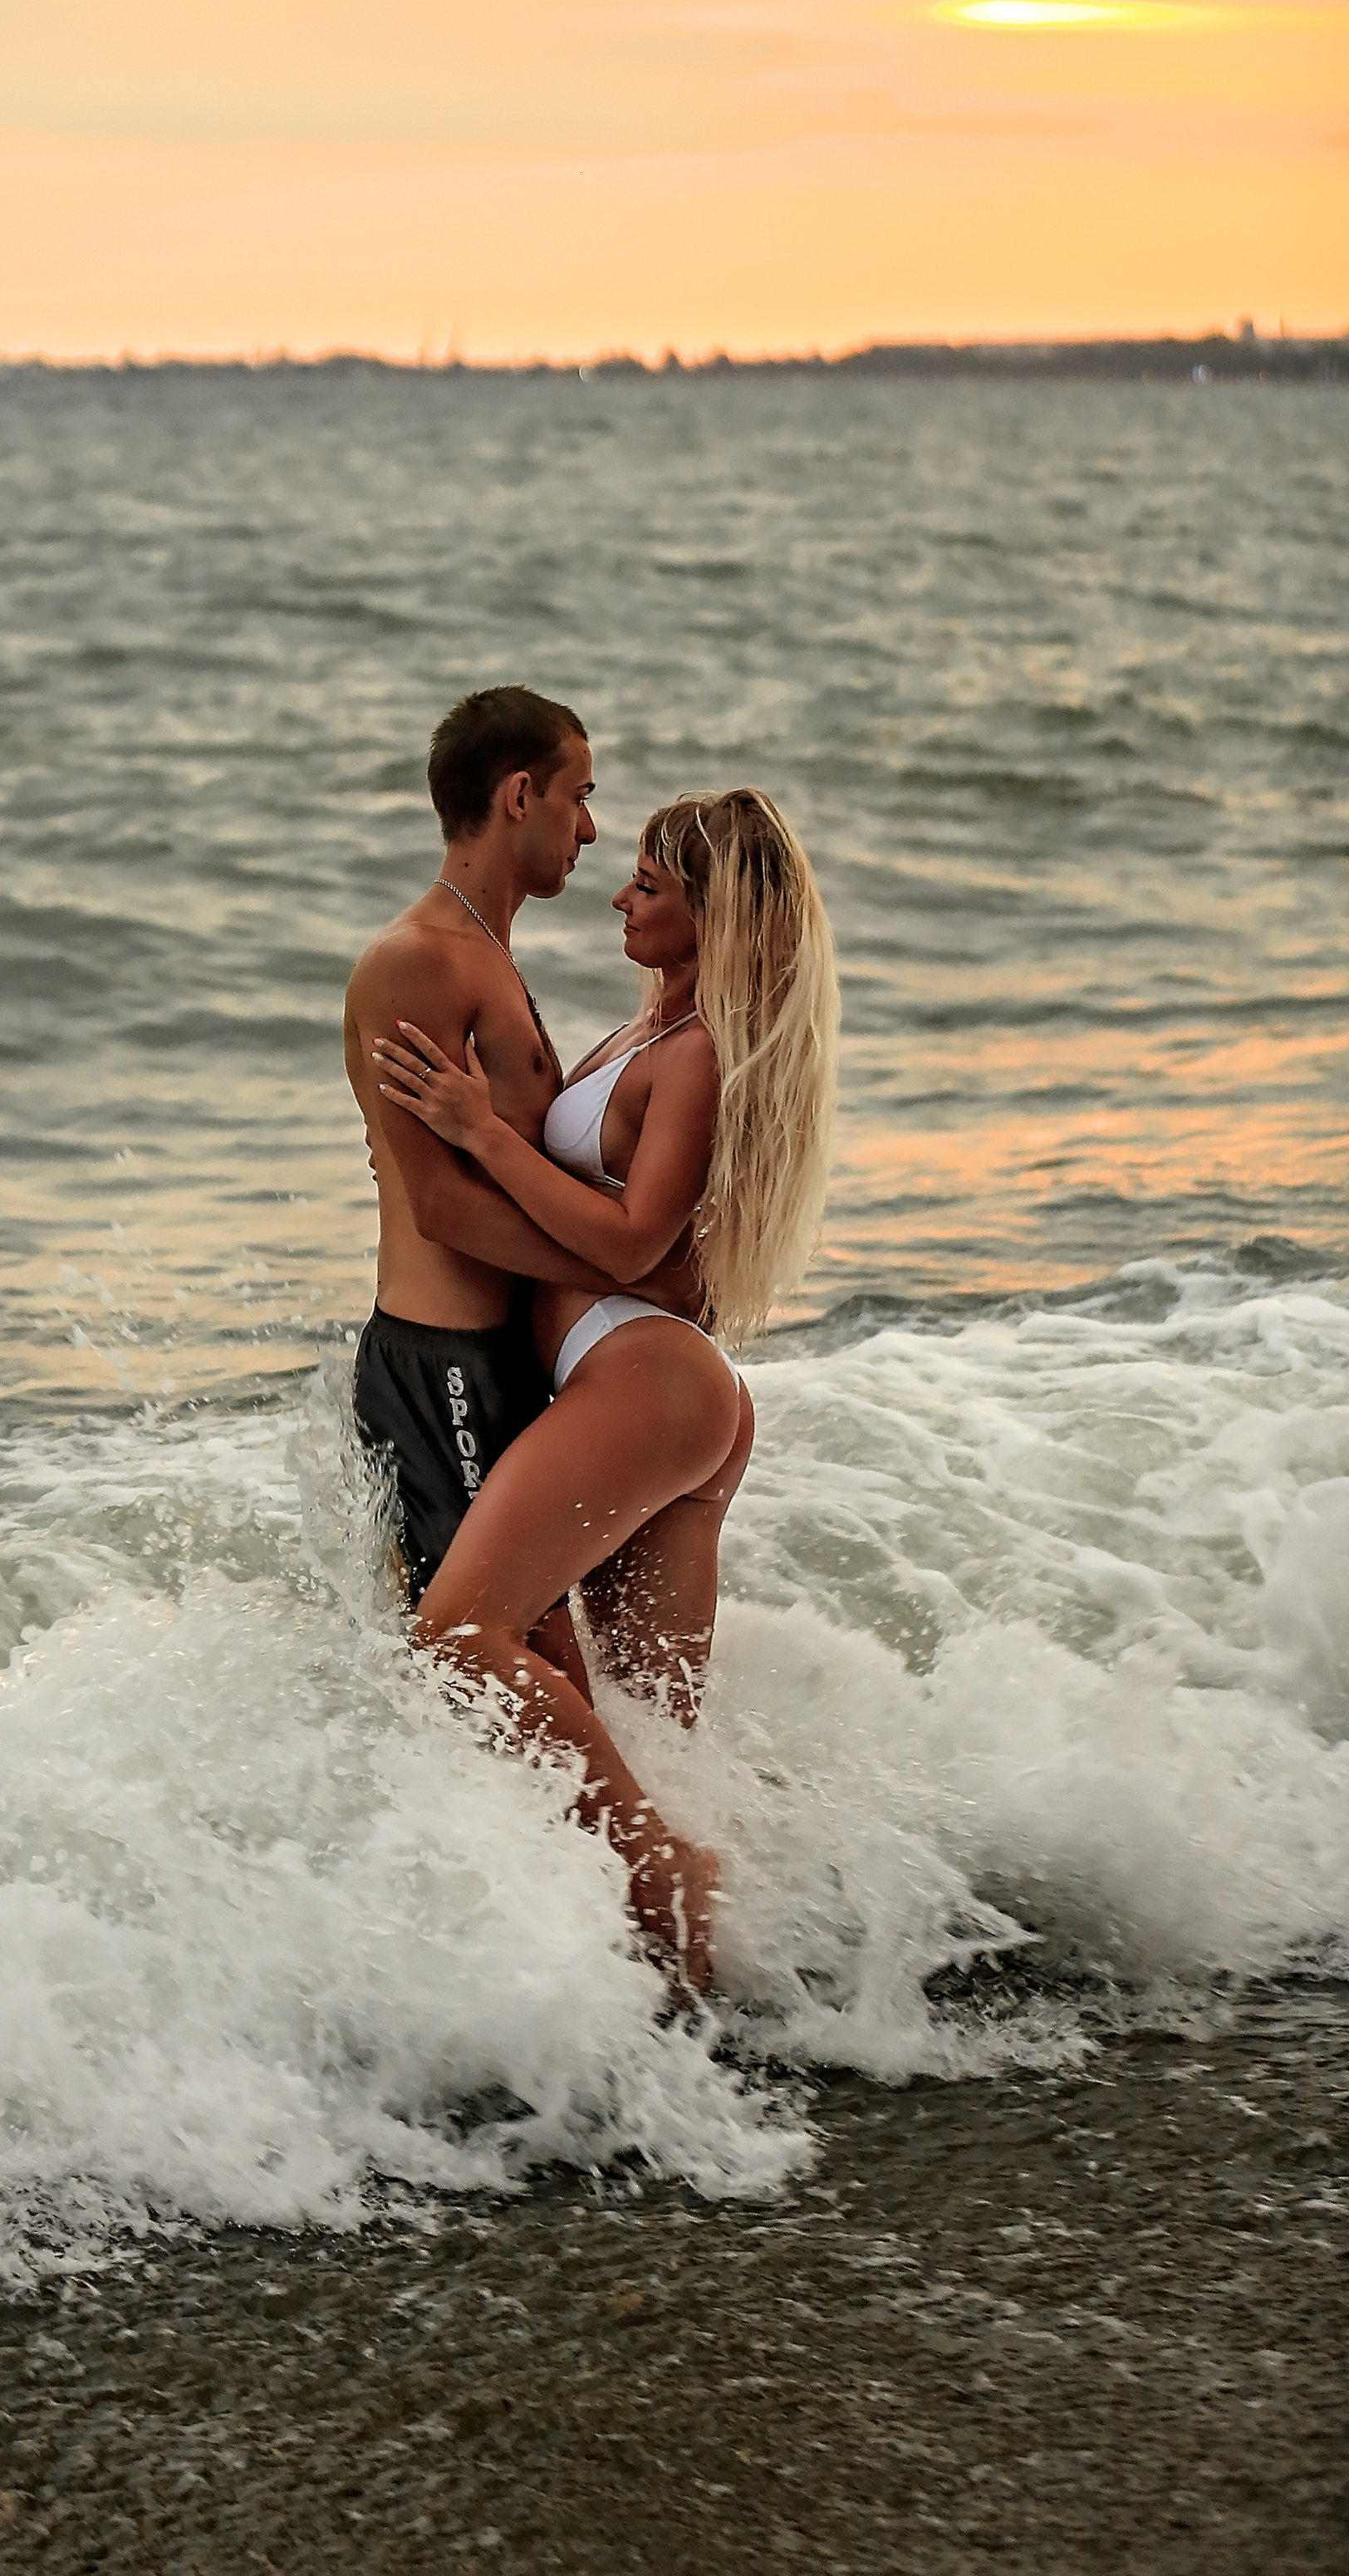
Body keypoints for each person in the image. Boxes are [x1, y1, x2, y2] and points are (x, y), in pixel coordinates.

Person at [368, 781, 838, 1992]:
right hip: (662, 1389)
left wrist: (481, 1134)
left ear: (712, 913)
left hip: (645, 1379)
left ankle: (662, 1872)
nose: (622, 894)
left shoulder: (692, 1053)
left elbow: (635, 1244)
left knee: (458, 1635)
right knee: (645, 1738)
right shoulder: (651, 1031)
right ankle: (705, 2010)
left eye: (652, 884)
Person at [342, 689, 621, 1709]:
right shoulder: (415, 963)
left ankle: (615, 1865)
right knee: (481, 1668)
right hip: (440, 1369)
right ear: (518, 796)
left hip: (501, 1363)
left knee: (546, 1673)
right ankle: (650, 1868)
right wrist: (619, 1265)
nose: (590, 828)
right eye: (578, 797)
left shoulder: (484, 956)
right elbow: (441, 1209)